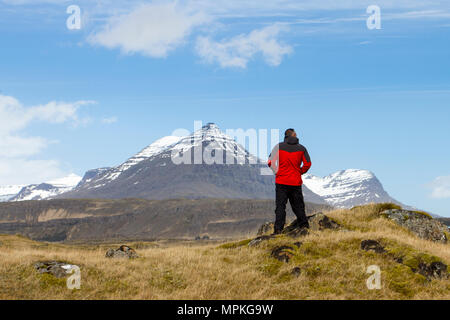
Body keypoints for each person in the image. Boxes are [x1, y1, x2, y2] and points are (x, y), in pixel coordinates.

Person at [268, 128, 312, 235]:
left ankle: (278, 230)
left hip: (281, 181)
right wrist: (300, 172)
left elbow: (270, 162)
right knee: (298, 206)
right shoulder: (302, 148)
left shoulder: (278, 147)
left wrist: (276, 172)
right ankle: (304, 227)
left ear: (286, 136)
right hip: (295, 182)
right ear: (294, 135)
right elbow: (308, 164)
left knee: (280, 207)